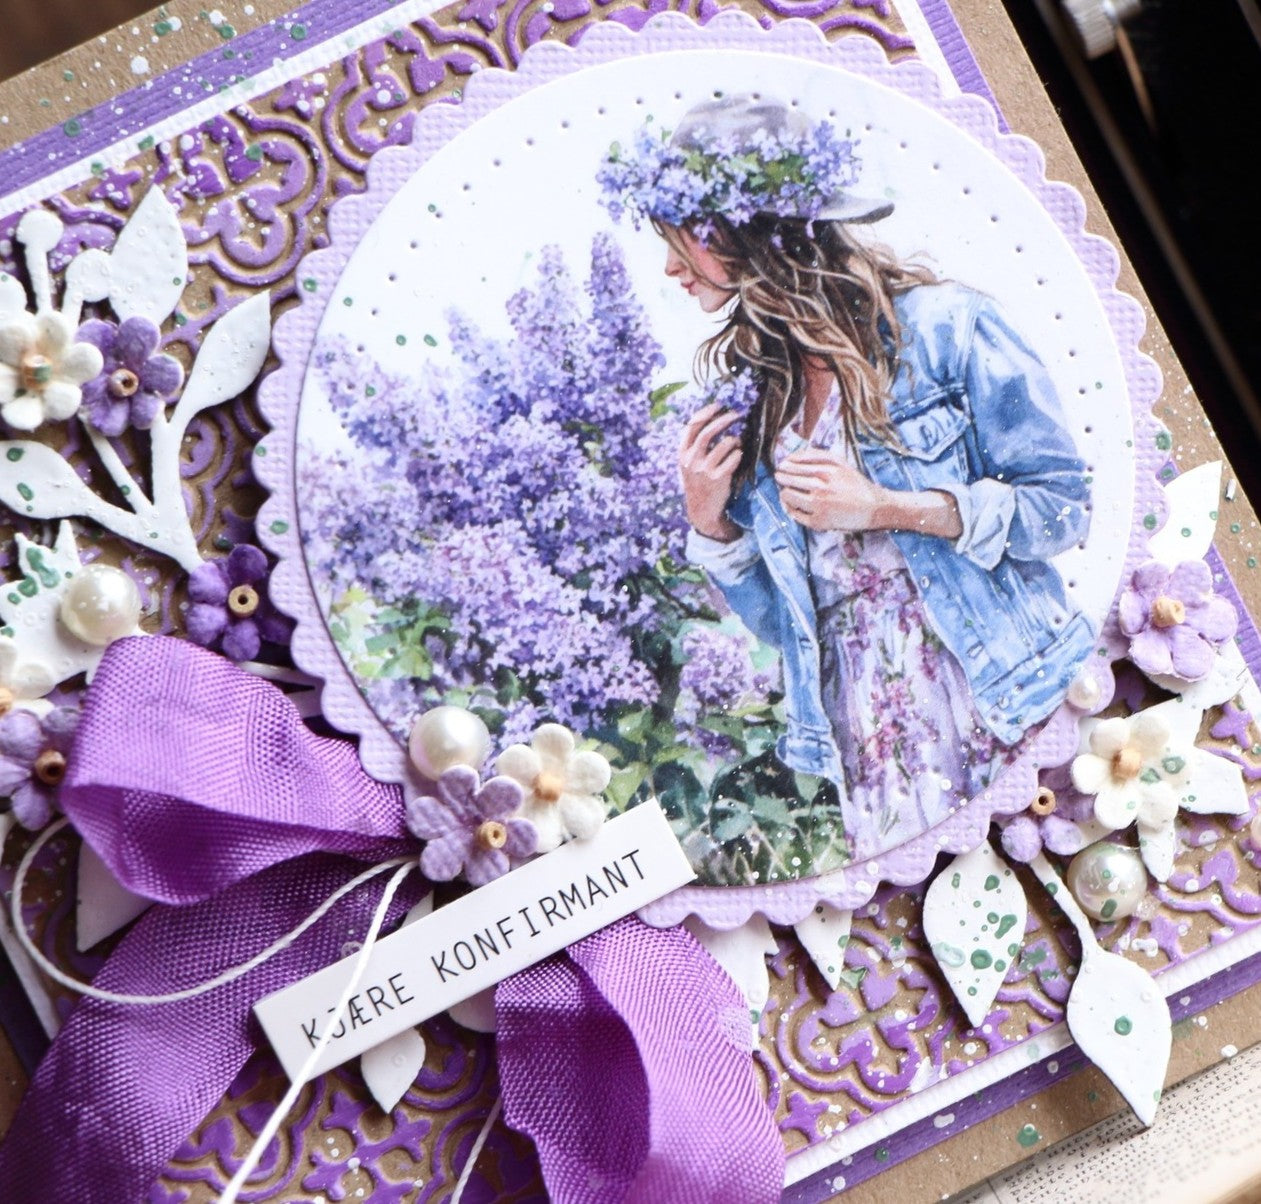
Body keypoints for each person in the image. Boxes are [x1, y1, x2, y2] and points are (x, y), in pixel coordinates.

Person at [599, 94, 1094, 859]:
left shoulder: (944, 327)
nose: (669, 266)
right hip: (866, 739)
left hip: (998, 688)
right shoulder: (759, 400)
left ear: (752, 231)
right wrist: (711, 523)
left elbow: (1062, 510)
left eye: (682, 238)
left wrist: (887, 506)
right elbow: (788, 627)